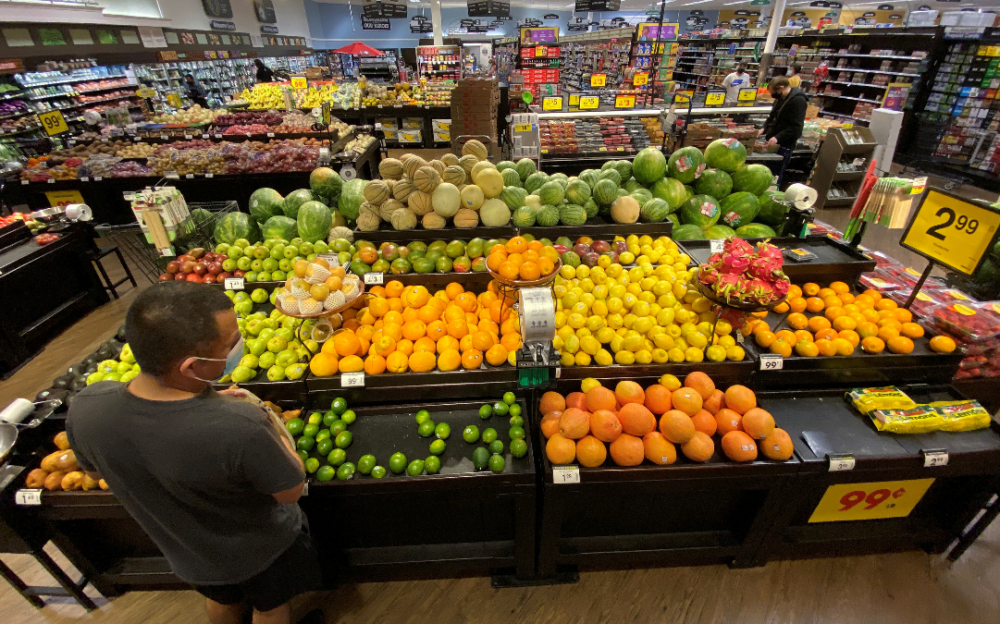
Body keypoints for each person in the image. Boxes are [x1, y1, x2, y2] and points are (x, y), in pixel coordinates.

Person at [66, 283, 320, 624]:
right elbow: (289, 491)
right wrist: (271, 426)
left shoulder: (87, 405)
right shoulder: (240, 425)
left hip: (187, 556)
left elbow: (97, 474)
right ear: (190, 366)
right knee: (269, 606)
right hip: (261, 552)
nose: (238, 344)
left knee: (223, 600)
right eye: (230, 343)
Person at [760, 75, 809, 151]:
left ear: (781, 88)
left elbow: (796, 128)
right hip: (772, 141)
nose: (772, 95)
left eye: (774, 92)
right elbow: (772, 117)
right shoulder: (779, 98)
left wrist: (778, 137)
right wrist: (763, 128)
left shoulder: (798, 100)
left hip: (785, 145)